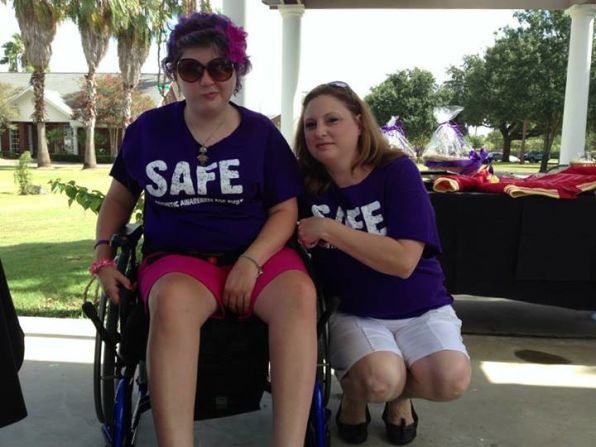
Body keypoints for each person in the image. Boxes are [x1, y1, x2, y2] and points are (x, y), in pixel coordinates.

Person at [91, 13, 317, 447]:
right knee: (171, 301)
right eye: (191, 69)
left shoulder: (260, 134)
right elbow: (119, 201)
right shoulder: (149, 130)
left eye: (220, 67)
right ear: (175, 73)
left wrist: (251, 262)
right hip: (179, 261)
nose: (207, 80)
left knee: (300, 296)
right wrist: (102, 257)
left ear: (237, 70)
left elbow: (285, 210)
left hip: (259, 255)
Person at [295, 82, 471, 445]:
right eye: (310, 125)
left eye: (333, 120)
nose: (320, 131)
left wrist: (329, 228)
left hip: (421, 305)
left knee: (450, 380)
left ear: (360, 123)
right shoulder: (303, 184)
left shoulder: (396, 171)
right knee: (379, 380)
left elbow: (404, 260)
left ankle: (400, 396)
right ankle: (358, 397)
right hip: (355, 311)